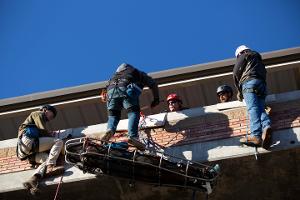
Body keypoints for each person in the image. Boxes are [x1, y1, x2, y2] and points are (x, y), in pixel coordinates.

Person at [102, 63, 160, 150]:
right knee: (133, 113)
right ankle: (133, 136)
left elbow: (104, 90)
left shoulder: (115, 75)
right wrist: (156, 99)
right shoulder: (137, 73)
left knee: (113, 115)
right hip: (126, 89)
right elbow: (153, 84)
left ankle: (109, 130)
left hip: (111, 93)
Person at [17, 105, 64, 195]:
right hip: (29, 142)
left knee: (46, 159)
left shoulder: (35, 118)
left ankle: (33, 180)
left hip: (26, 152)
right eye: (52, 114)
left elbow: (40, 132)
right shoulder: (38, 113)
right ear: (45, 110)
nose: (51, 118)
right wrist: (51, 135)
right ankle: (51, 166)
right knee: (58, 141)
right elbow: (42, 130)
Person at [233, 45, 272, 149]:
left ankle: (255, 135)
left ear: (239, 53)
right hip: (262, 85)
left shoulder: (243, 55)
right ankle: (266, 127)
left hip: (249, 83)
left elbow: (236, 73)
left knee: (252, 108)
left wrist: (239, 91)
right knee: (260, 109)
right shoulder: (258, 59)